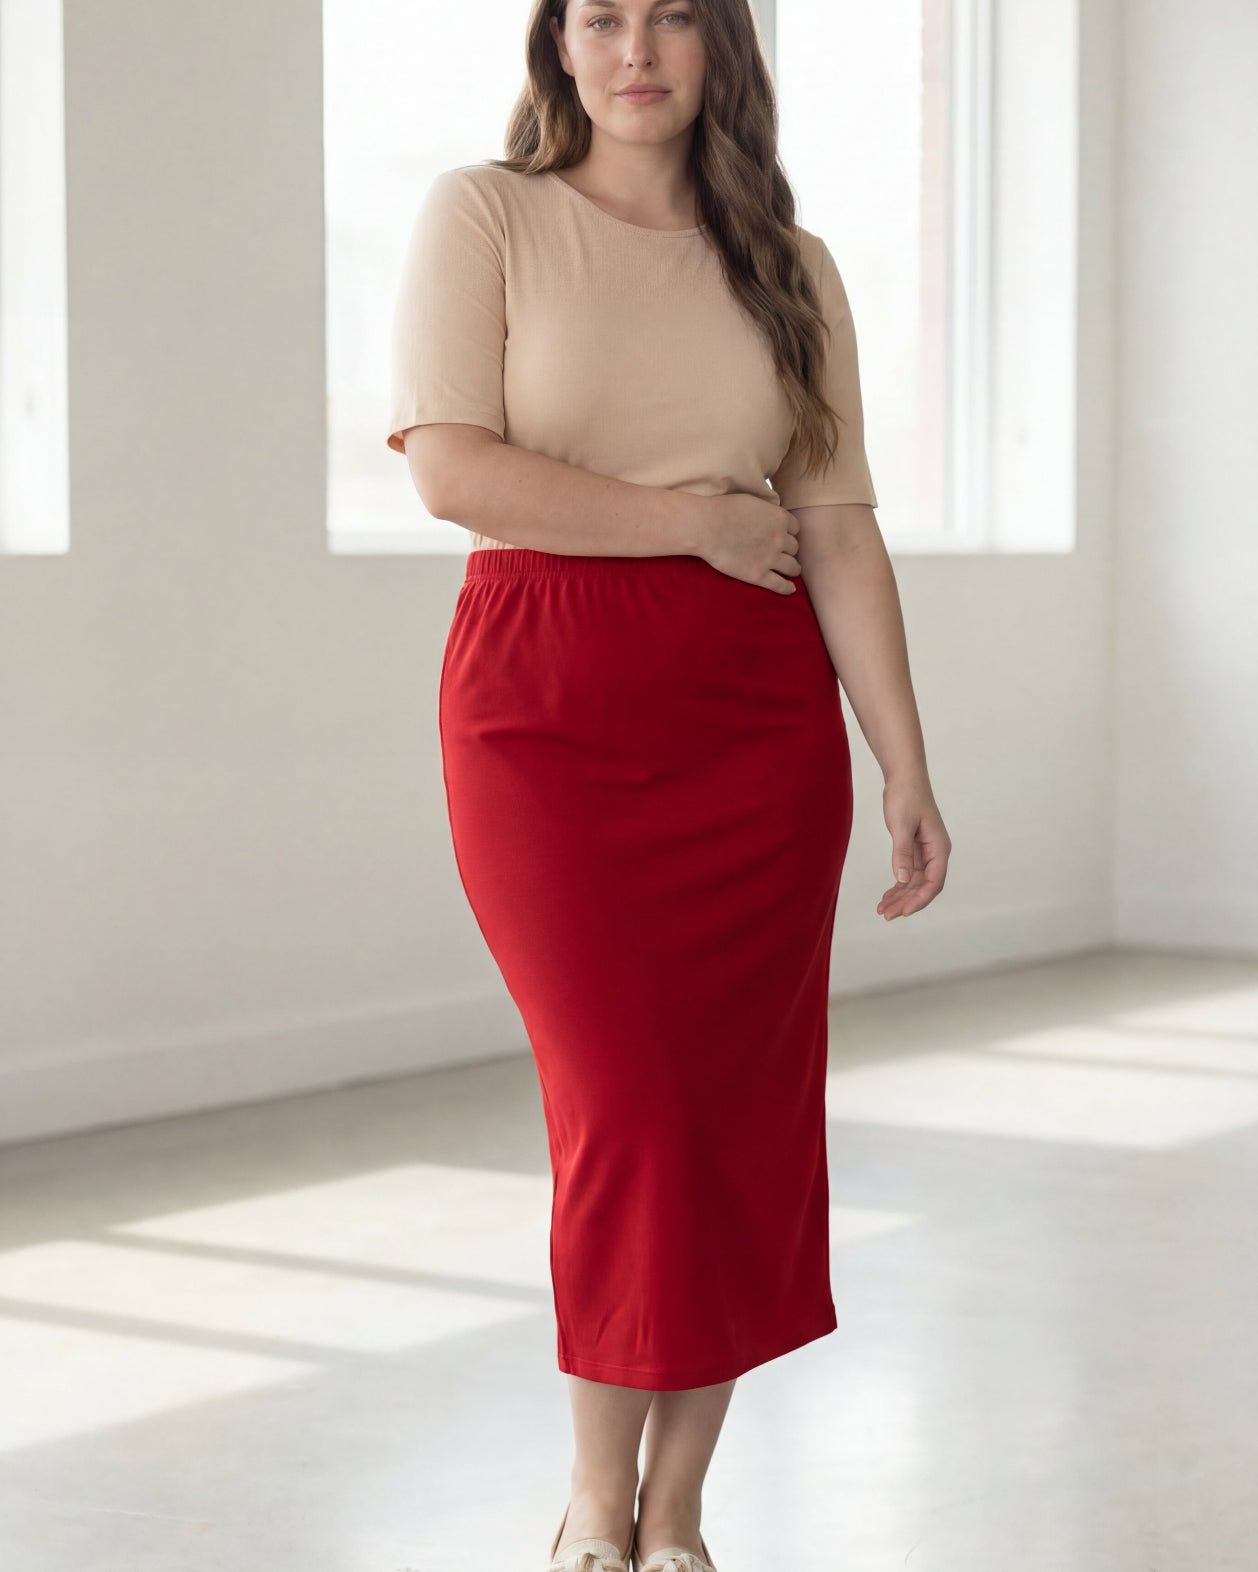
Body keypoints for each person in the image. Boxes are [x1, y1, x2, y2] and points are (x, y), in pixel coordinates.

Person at [387, 2, 951, 1568]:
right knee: (626, 1103)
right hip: (544, 706)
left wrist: (902, 761)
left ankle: (676, 1505)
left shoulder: (790, 265)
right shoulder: (484, 215)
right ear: (558, 47)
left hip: (754, 726)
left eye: (672, 16)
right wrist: (689, 522)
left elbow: (834, 526)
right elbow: (451, 469)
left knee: (733, 1119)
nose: (637, 48)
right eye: (603, 17)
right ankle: (593, 1495)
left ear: (721, 46)